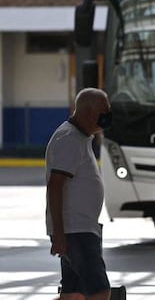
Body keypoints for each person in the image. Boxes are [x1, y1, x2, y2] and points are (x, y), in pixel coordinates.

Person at [45, 88, 113, 300]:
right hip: (75, 231)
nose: (107, 116)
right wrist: (59, 233)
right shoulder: (70, 139)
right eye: (104, 111)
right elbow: (55, 186)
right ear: (89, 113)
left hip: (78, 229)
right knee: (99, 291)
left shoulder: (79, 138)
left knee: (73, 294)